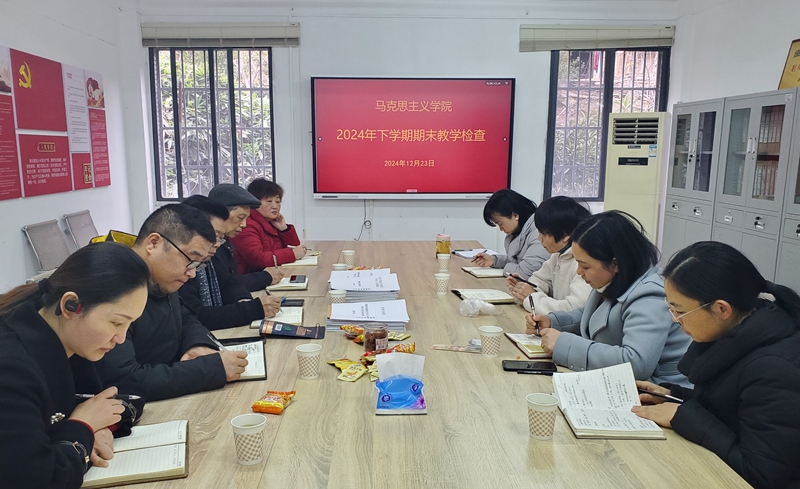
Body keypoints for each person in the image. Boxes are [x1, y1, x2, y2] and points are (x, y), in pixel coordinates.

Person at [632, 242, 800, 489]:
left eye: (679, 311)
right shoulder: (737, 332)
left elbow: (759, 475)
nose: (675, 320)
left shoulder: (774, 370)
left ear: (722, 309)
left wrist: (683, 416)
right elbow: (732, 407)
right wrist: (674, 396)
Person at [0, 243, 150, 488]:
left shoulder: (71, 336)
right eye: (116, 323)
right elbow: (39, 478)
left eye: (129, 324)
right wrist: (83, 427)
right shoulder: (11, 369)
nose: (121, 338)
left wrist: (98, 426)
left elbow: (131, 389)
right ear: (71, 305)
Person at [95, 204, 248, 401]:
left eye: (198, 265)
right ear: (153, 243)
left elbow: (186, 317)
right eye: (190, 260)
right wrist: (211, 369)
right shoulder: (110, 288)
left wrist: (196, 345)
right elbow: (124, 379)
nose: (192, 273)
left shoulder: (160, 277)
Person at [525, 210, 691, 386]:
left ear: (615, 263)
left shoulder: (651, 295)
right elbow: (591, 315)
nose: (579, 272)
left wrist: (564, 345)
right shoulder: (616, 278)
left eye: (585, 266)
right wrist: (553, 322)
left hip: (657, 391)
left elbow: (636, 363)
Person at [179, 195, 280, 330]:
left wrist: (244, 300)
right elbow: (196, 316)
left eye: (219, 238)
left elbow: (229, 282)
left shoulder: (216, 251)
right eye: (240, 218)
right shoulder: (179, 267)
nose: (216, 243)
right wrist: (251, 309)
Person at [506, 196, 592, 315]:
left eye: (543, 233)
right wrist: (525, 287)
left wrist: (531, 298)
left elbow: (573, 309)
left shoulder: (584, 263)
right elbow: (539, 280)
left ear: (565, 235)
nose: (539, 238)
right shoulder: (557, 255)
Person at [208, 183, 284, 292]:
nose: (244, 224)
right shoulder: (210, 246)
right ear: (220, 214)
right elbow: (225, 286)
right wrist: (265, 277)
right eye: (240, 218)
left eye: (278, 201)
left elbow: (230, 283)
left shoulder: (225, 242)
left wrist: (285, 229)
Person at [230, 178, 307, 273]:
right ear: (255, 202)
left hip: (273, 274)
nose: (275, 206)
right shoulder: (246, 225)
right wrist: (292, 254)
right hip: (252, 277)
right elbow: (257, 259)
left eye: (278, 202)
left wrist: (284, 229)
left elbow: (294, 248)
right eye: (269, 201)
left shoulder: (271, 222)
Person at [472, 189, 549, 279]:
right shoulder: (518, 231)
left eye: (500, 224)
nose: (501, 229)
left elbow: (525, 273)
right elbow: (517, 262)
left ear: (515, 215)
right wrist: (494, 260)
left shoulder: (538, 232)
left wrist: (506, 268)